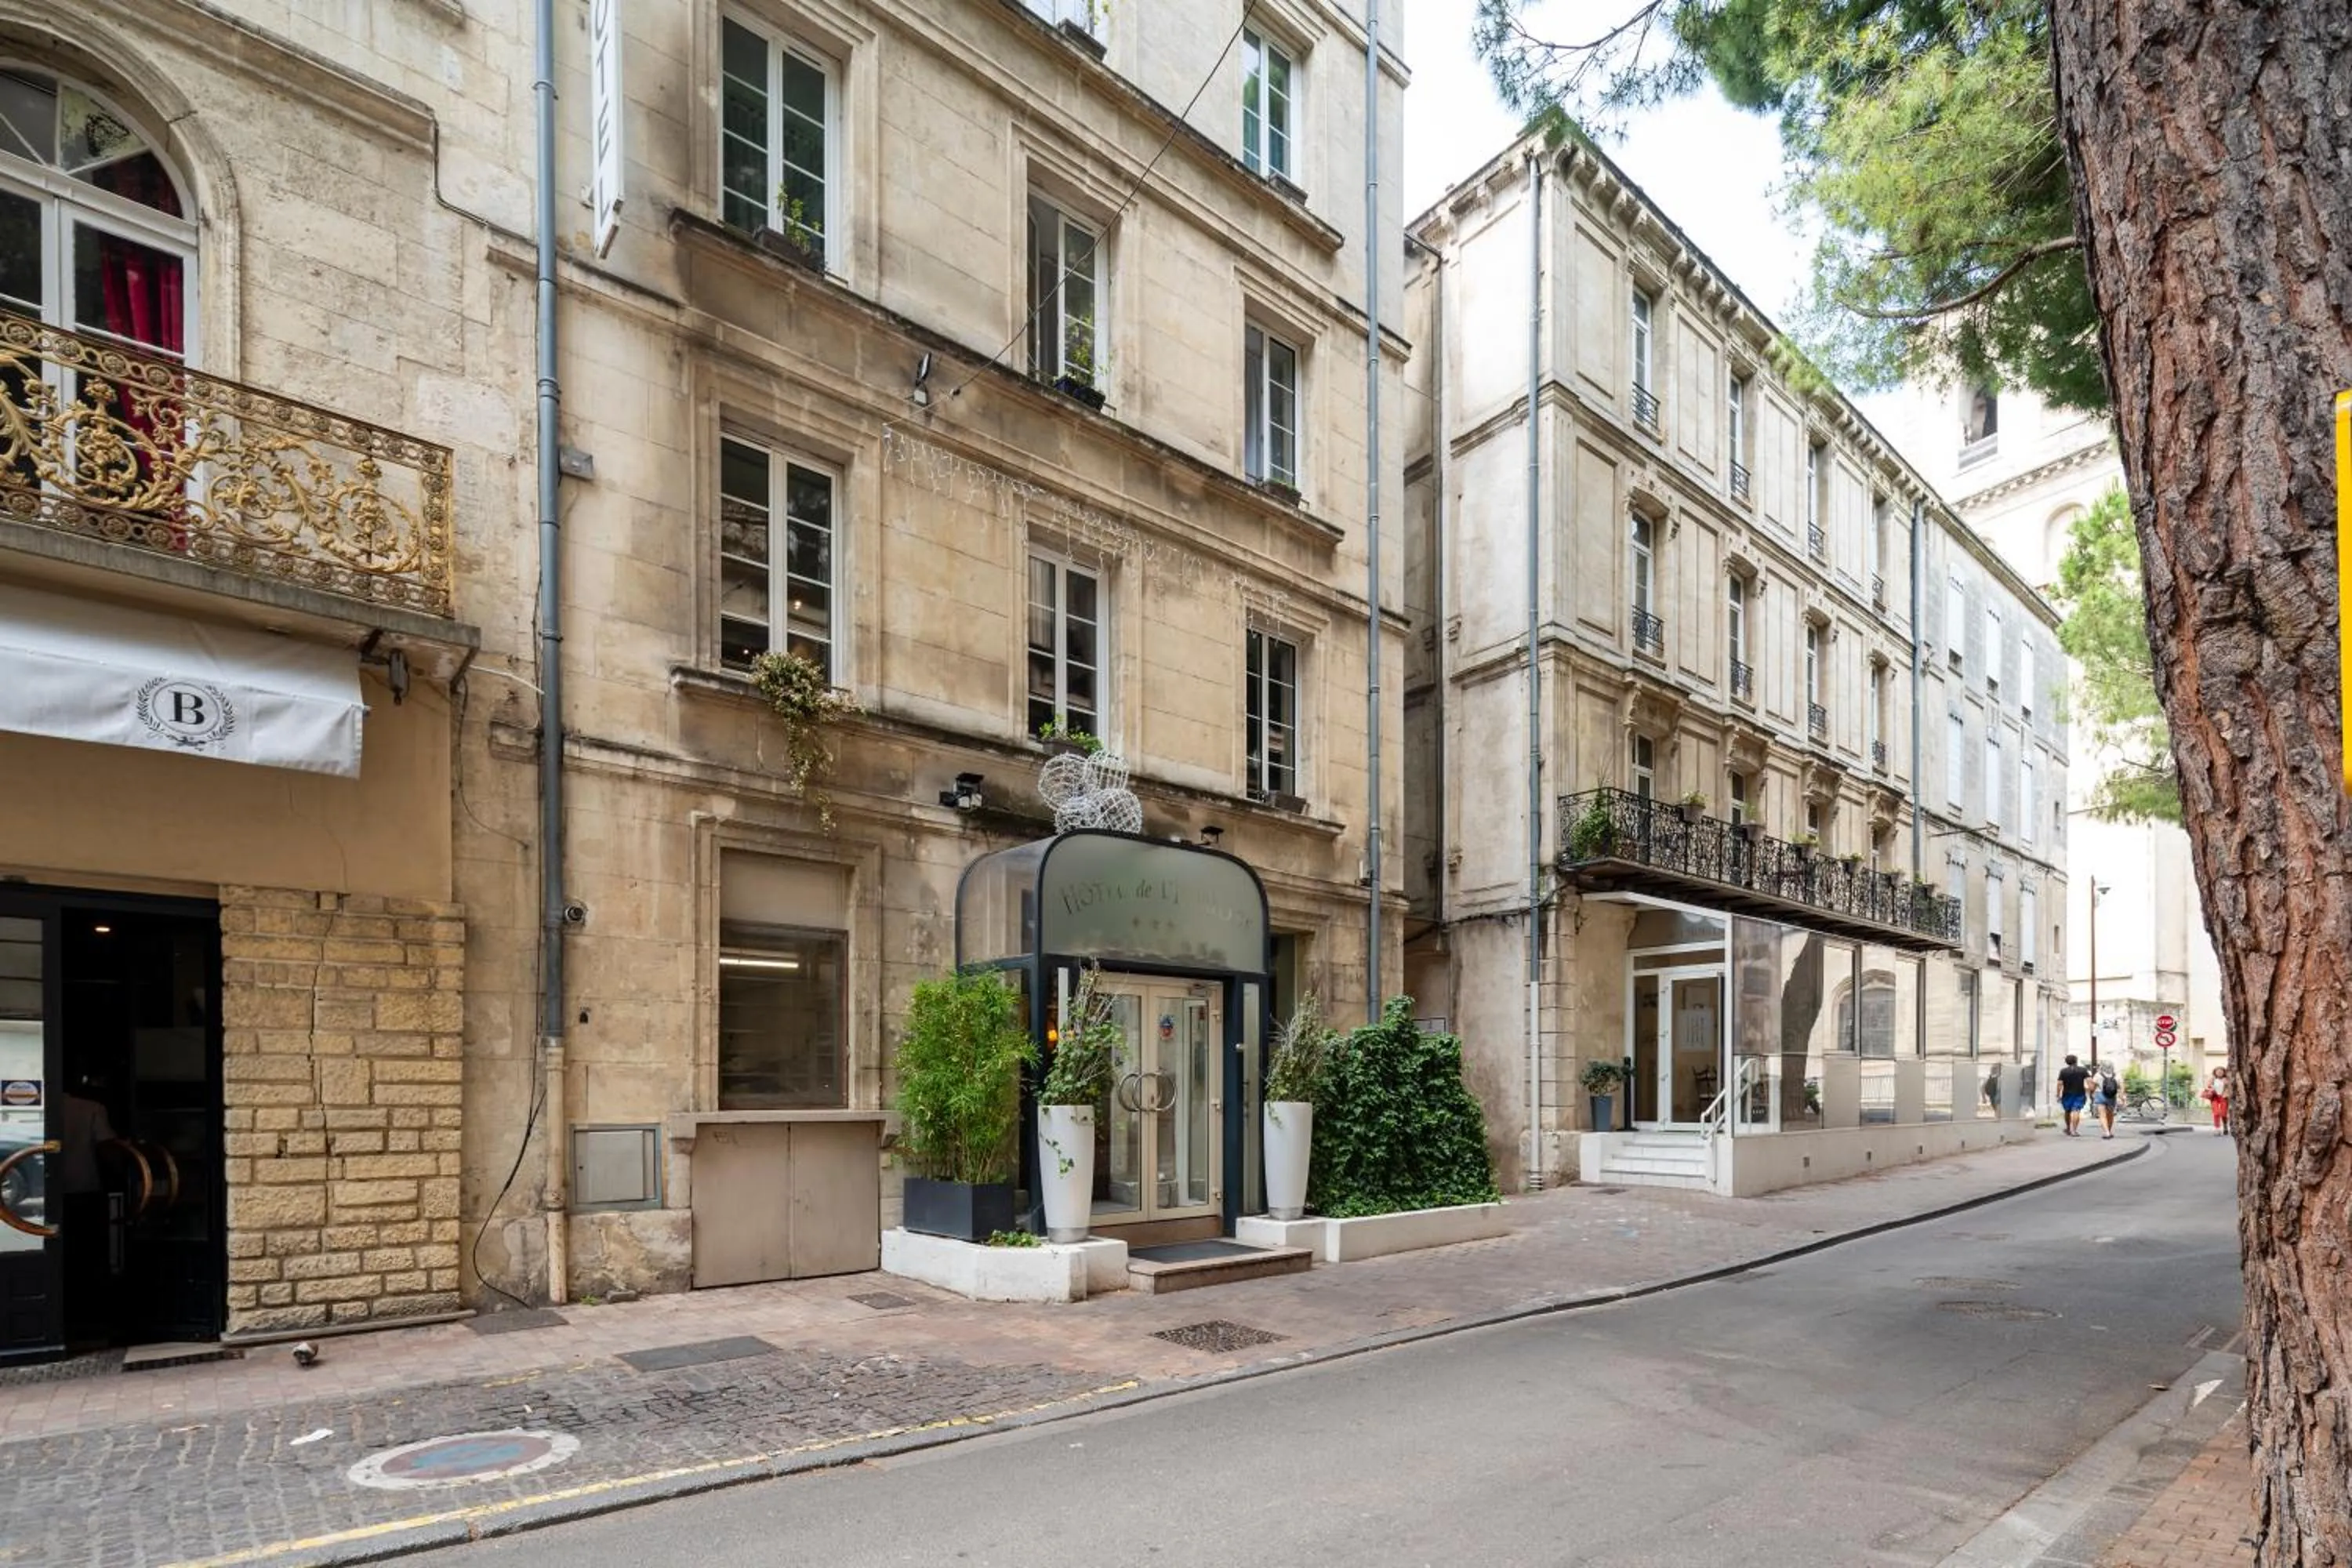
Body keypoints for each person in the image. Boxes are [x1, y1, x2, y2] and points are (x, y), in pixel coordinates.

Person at [2056, 1054, 2092, 1137]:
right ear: (2076, 1061)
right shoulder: (2083, 1070)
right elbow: (2089, 1081)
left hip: (2067, 1094)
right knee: (2076, 1110)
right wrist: (2091, 1090)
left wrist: (2058, 1094)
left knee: (2067, 1111)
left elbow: (2059, 1084)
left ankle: (2068, 1128)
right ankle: (2074, 1130)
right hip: (2080, 1093)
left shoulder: (2063, 1071)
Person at [2094, 1062, 2121, 1138]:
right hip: (2112, 1097)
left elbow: (2093, 1085)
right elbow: (2121, 1086)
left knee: (2102, 1115)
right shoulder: (2117, 1075)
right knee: (2110, 1114)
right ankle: (2109, 1130)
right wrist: (2122, 1096)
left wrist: (2092, 1093)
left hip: (2100, 1095)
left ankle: (2106, 1132)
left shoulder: (2098, 1075)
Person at [2204, 1067, 2230, 1134]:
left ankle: (2225, 1126)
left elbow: (2230, 1087)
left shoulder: (2226, 1079)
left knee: (2223, 1113)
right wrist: (2210, 1089)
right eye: (2218, 1071)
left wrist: (2226, 1083)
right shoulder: (2213, 1079)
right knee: (2216, 1113)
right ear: (2215, 1072)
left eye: (2221, 1071)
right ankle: (2217, 1129)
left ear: (2224, 1072)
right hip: (2215, 1097)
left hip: (2223, 1097)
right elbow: (2206, 1086)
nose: (2219, 1072)